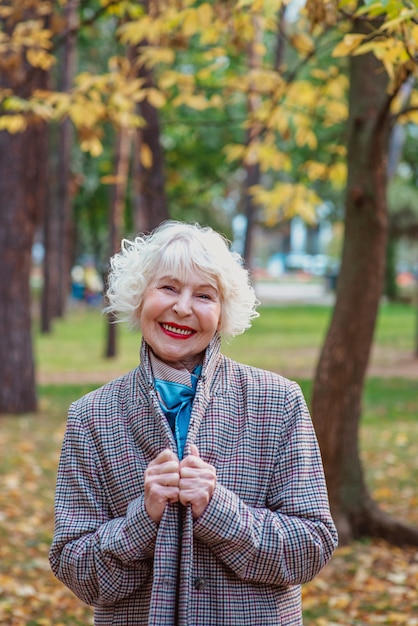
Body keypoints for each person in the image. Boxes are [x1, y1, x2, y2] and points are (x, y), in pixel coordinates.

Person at [49, 221, 338, 626]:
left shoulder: (279, 401)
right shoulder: (91, 416)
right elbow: (76, 569)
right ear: (138, 297)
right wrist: (142, 519)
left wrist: (218, 509)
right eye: (167, 288)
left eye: (204, 295)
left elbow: (313, 546)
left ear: (222, 314)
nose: (183, 307)